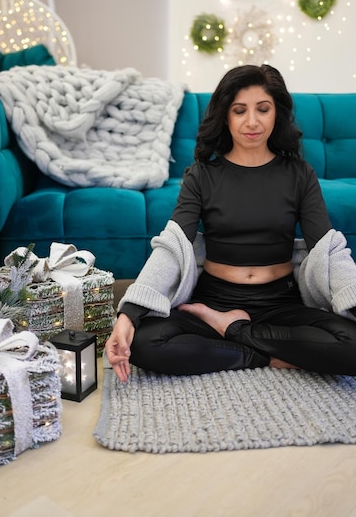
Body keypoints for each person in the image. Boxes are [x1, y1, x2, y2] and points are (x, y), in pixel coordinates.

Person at [105, 64, 356, 383]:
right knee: (145, 343)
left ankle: (233, 331)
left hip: (280, 302)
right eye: (240, 111)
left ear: (276, 113)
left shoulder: (299, 174)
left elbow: (328, 250)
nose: (252, 121)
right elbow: (173, 246)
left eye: (262, 109)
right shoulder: (202, 175)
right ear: (226, 115)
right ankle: (265, 354)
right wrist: (128, 315)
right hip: (214, 300)